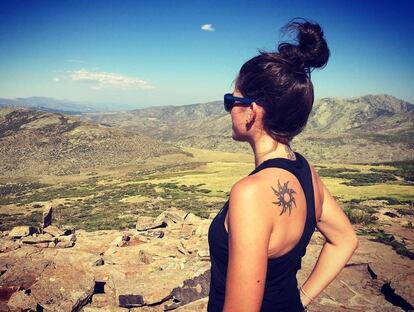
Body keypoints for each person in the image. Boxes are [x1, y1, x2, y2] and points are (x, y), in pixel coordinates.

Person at [207, 18, 359, 312]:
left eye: (231, 100)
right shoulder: (305, 171)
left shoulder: (250, 193)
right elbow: (345, 240)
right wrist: (300, 299)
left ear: (251, 111)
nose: (228, 109)